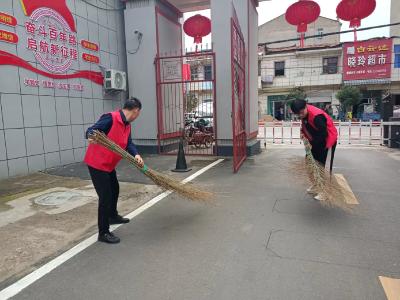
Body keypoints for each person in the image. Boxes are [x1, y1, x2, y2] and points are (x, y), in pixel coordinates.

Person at [84, 98, 144, 244]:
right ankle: (103, 232)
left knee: (115, 189)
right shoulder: (110, 118)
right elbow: (91, 130)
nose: (138, 116)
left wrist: (136, 154)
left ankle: (112, 216)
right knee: (105, 197)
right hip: (97, 164)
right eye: (139, 113)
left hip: (109, 165)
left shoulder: (127, 124)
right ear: (135, 111)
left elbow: (128, 142)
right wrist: (90, 136)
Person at [290, 99, 338, 201]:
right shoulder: (304, 114)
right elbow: (305, 126)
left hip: (327, 142)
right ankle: (316, 185)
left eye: (301, 112)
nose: (300, 115)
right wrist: (303, 133)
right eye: (298, 114)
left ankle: (326, 192)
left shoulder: (317, 116)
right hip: (315, 142)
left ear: (305, 107)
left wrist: (313, 145)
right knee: (310, 164)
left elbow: (323, 134)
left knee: (323, 167)